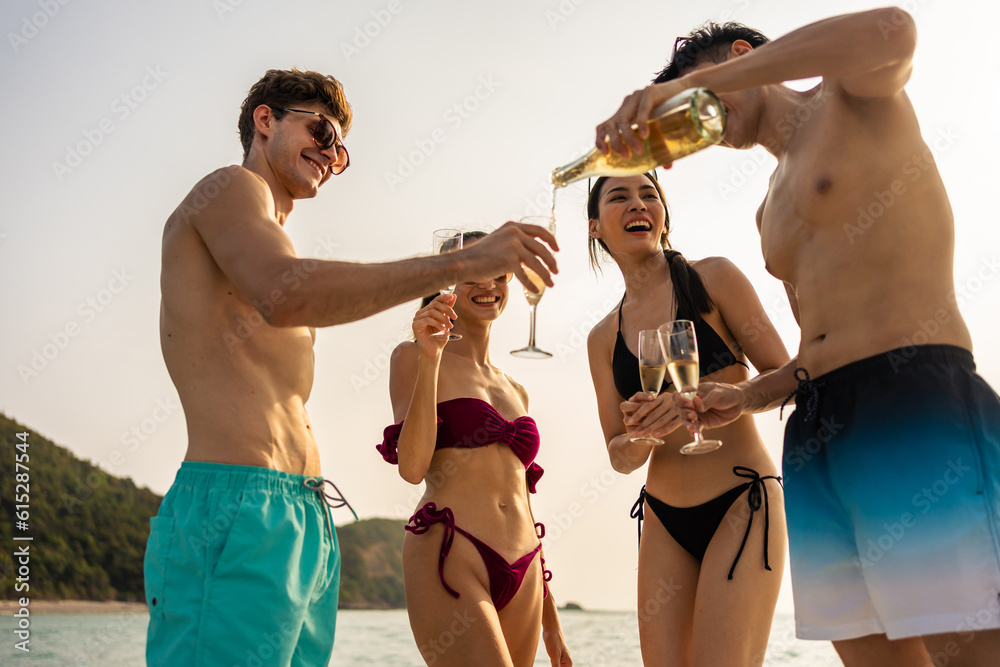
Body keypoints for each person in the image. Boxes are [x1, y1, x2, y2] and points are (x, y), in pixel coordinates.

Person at [595, 11, 1000, 667]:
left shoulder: (853, 97)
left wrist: (696, 85)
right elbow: (811, 353)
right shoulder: (769, 208)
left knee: (971, 645)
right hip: (815, 433)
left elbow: (893, 29)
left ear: (742, 55)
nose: (694, 118)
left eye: (699, 93)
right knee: (874, 654)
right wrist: (747, 394)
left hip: (915, 399)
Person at [144, 68, 558, 667]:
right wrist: (458, 263)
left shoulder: (275, 236)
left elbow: (302, 290)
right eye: (319, 129)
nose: (330, 152)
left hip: (304, 515)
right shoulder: (230, 189)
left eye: (340, 147)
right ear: (265, 120)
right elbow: (287, 294)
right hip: (236, 507)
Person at [585, 172, 789, 665]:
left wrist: (732, 394)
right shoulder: (600, 337)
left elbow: (791, 377)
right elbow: (619, 455)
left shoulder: (713, 279)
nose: (638, 204)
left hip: (742, 499)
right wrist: (642, 433)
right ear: (596, 228)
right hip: (663, 518)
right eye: (620, 197)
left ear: (663, 213)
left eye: (649, 195)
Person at [379, 232, 572, 667]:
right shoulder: (412, 357)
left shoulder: (516, 388)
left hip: (524, 568)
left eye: (498, 273)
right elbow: (411, 467)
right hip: (452, 549)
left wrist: (551, 616)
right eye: (471, 274)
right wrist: (431, 358)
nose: (488, 285)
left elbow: (522, 499)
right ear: (445, 282)